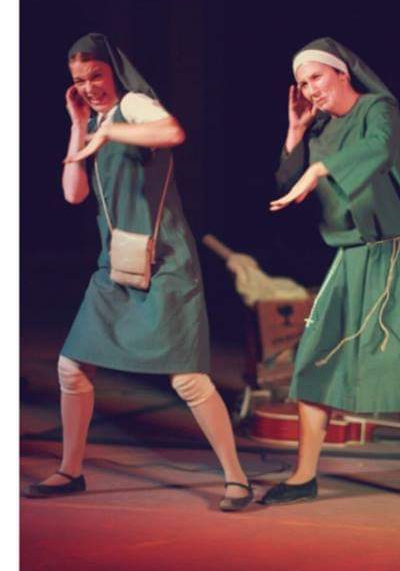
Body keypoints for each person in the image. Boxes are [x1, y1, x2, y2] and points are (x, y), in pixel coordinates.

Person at [26, 33, 253, 512]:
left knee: (187, 378)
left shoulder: (134, 105)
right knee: (71, 367)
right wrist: (80, 126)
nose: (89, 86)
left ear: (114, 72)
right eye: (79, 80)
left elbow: (172, 132)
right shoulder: (96, 120)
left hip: (165, 260)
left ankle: (236, 478)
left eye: (96, 76)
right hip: (117, 263)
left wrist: (110, 132)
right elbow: (73, 193)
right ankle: (70, 469)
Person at [265, 38, 400, 508]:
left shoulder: (380, 110)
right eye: (302, 83)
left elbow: (378, 149)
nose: (310, 89)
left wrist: (320, 169)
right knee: (313, 359)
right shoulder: (318, 130)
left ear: (342, 73)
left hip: (398, 252)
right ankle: (303, 476)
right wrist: (295, 133)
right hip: (350, 257)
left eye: (316, 77)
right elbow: (287, 184)